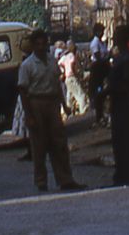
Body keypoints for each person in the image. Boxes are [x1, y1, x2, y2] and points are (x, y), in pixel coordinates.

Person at [16, 29, 83, 194]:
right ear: (32, 46)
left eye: (43, 43)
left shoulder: (52, 62)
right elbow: (23, 91)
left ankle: (65, 179)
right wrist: (29, 115)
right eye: (37, 44)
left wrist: (64, 105)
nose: (40, 47)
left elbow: (57, 85)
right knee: (39, 146)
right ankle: (41, 181)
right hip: (36, 103)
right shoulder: (27, 66)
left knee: (59, 144)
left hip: (52, 104)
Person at [107, 22, 129, 186]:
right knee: (122, 140)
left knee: (123, 140)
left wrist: (109, 90)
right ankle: (124, 172)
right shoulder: (123, 58)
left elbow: (127, 85)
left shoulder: (126, 60)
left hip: (122, 104)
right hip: (120, 104)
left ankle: (126, 174)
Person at [88, 24, 109, 125]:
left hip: (104, 67)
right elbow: (98, 56)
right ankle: (99, 115)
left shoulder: (102, 43)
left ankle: (104, 113)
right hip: (98, 68)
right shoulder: (95, 43)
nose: (102, 33)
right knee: (99, 92)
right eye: (100, 31)